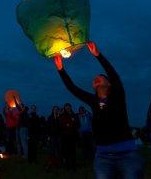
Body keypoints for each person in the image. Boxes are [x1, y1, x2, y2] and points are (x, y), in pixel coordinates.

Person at [54, 42, 144, 179]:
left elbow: (113, 74)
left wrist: (98, 55)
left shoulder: (118, 95)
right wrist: (60, 69)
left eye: (101, 77)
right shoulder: (93, 101)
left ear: (109, 84)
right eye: (95, 78)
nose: (97, 78)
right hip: (103, 156)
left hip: (127, 155)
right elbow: (72, 88)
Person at [59, 103, 80, 170]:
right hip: (65, 135)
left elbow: (78, 124)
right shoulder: (62, 116)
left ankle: (74, 165)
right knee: (66, 150)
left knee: (73, 150)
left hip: (72, 135)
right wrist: (66, 126)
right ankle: (67, 165)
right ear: (64, 108)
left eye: (69, 107)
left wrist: (72, 124)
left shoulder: (74, 115)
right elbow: (60, 125)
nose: (67, 108)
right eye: (66, 107)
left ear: (70, 107)